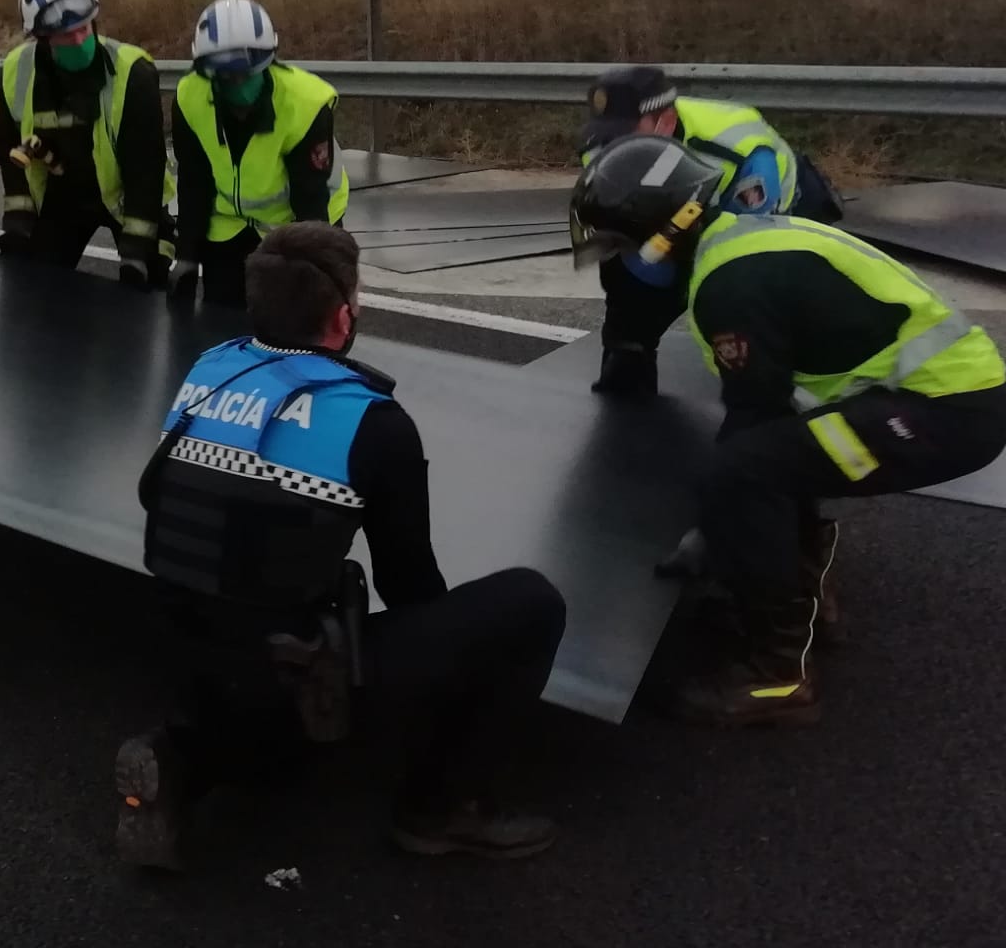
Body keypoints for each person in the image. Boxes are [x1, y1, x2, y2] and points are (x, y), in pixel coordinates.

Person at [119, 223, 567, 868]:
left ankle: (183, 757)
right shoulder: (371, 421)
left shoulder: (209, 372)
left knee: (250, 610)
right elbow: (409, 586)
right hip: (292, 675)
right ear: (343, 314)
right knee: (531, 601)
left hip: (185, 647)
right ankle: (443, 808)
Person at [570, 135, 1006, 725]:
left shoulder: (730, 282)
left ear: (661, 228)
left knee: (744, 474)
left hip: (944, 416)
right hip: (942, 400)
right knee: (772, 460)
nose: (624, 256)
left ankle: (776, 674)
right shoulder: (745, 238)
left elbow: (754, 413)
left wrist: (716, 532)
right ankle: (804, 591)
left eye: (623, 242)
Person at [579, 65, 842, 398]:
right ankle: (628, 363)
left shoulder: (740, 149)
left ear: (667, 121)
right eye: (607, 134)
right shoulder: (600, 150)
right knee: (626, 274)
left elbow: (746, 251)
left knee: (752, 300)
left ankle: (776, 407)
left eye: (628, 132)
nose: (613, 144)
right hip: (683, 212)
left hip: (772, 215)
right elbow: (625, 232)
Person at [0, 0, 172, 286]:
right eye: (67, 35)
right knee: (35, 286)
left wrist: (137, 252)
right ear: (42, 38)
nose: (79, 39)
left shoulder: (133, 72)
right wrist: (18, 226)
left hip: (126, 197)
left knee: (149, 291)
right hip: (64, 195)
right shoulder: (18, 70)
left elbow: (146, 169)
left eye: (85, 29)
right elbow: (10, 149)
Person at [171, 0, 348, 310]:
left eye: (247, 73)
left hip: (298, 224)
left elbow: (310, 200)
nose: (238, 84)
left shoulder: (305, 105)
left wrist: (317, 272)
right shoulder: (190, 98)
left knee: (296, 320)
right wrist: (186, 256)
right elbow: (193, 181)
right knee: (221, 322)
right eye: (226, 76)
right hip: (228, 225)